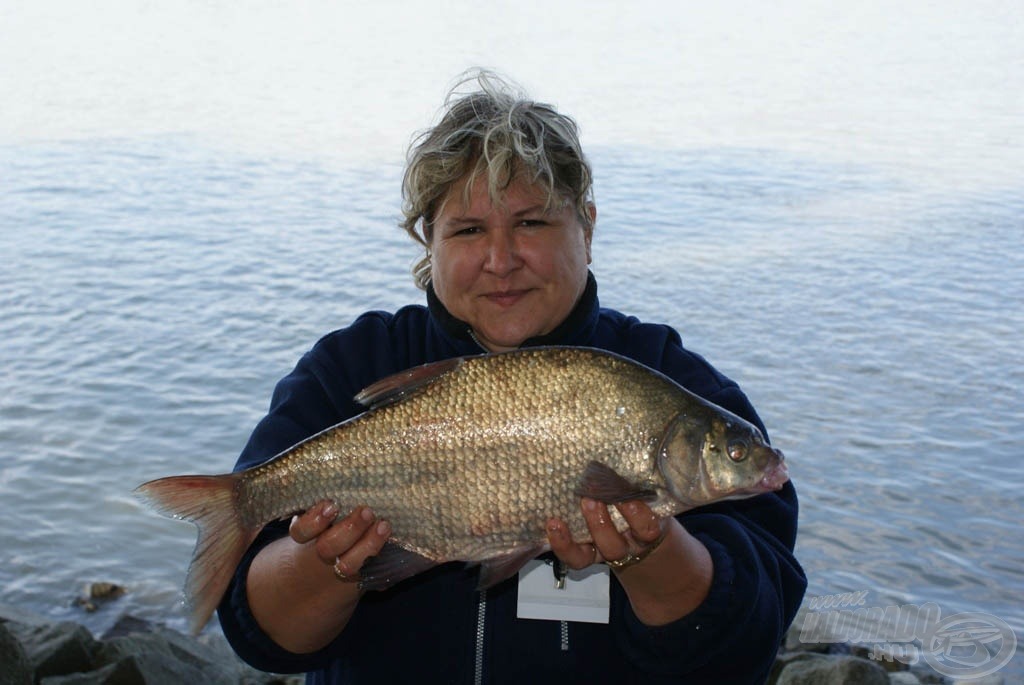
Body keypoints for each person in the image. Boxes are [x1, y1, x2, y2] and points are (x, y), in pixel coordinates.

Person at [218, 70, 806, 684]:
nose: (501, 261)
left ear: (587, 225)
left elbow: (750, 640)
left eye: (532, 223)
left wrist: (651, 554)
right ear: (429, 240)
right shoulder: (350, 366)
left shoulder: (671, 383)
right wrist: (328, 565)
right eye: (469, 230)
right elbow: (260, 639)